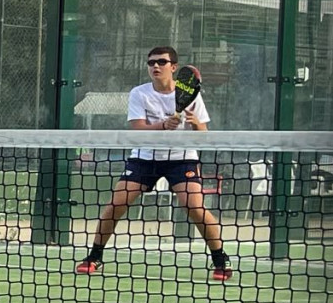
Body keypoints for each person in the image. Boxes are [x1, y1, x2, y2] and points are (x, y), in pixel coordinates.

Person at [75, 45, 230, 282]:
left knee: (194, 207)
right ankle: (95, 256)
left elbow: (204, 135)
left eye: (161, 62)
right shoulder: (139, 93)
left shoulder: (192, 94)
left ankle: (220, 258)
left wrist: (196, 123)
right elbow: (138, 130)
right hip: (145, 158)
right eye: (151, 63)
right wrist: (163, 126)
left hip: (182, 158)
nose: (155, 66)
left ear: (173, 67)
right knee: (116, 203)